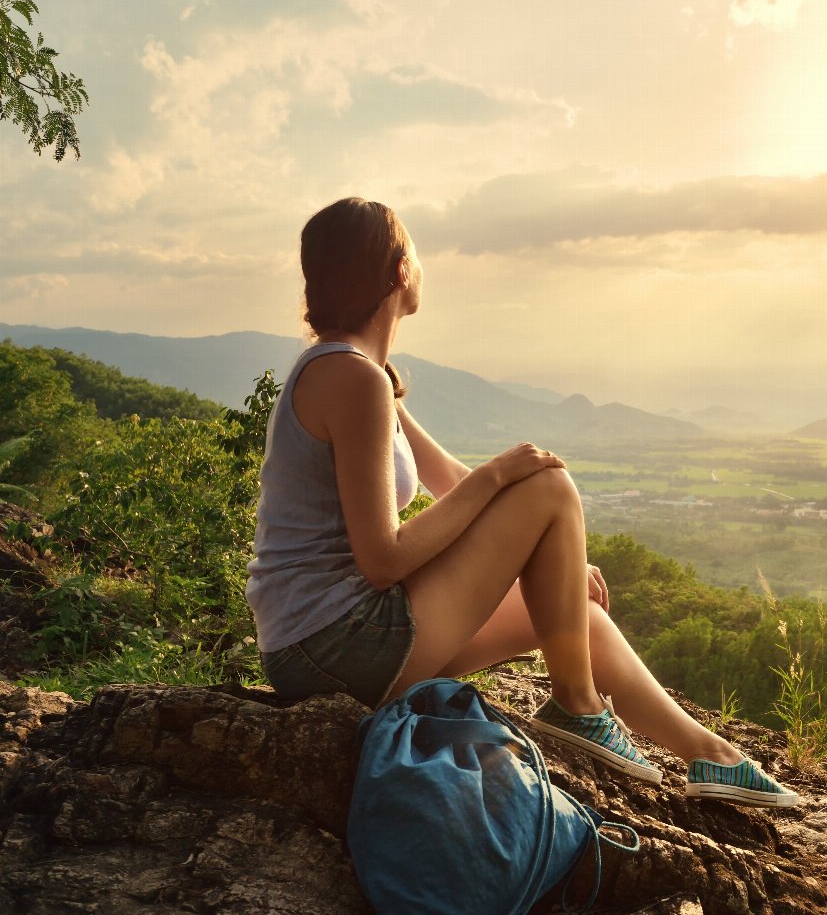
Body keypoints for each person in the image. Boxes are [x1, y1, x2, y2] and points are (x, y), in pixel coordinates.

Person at [246, 197, 795, 808]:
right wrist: (499, 477)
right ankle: (579, 709)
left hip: (337, 643)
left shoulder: (364, 376)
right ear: (400, 270)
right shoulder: (351, 379)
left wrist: (552, 562)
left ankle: (712, 757)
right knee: (550, 485)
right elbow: (383, 558)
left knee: (568, 615)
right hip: (334, 645)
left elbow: (448, 479)